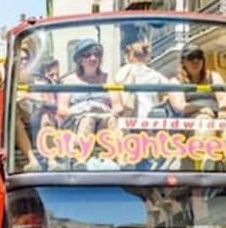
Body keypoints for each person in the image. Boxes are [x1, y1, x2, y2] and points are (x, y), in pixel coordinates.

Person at [59, 39, 123, 167]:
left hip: (103, 118)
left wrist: (107, 112)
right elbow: (62, 110)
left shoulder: (108, 79)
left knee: (112, 121)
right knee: (88, 120)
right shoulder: (69, 81)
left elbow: (118, 106)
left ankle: (122, 161)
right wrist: (84, 110)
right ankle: (80, 160)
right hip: (77, 119)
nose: (93, 58)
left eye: (96, 54)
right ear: (79, 60)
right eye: (87, 55)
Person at [16, 55, 61, 171]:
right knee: (14, 121)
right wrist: (29, 96)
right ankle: (32, 160)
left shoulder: (41, 82)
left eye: (27, 58)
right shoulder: (12, 84)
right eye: (21, 59)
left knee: (46, 117)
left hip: (42, 118)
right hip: (23, 122)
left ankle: (52, 160)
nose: (24, 62)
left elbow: (49, 102)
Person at [113, 40, 170, 117]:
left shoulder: (123, 72)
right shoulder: (155, 75)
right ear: (146, 56)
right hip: (150, 117)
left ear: (129, 55)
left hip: (129, 118)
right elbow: (169, 92)